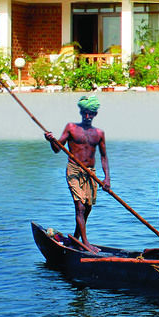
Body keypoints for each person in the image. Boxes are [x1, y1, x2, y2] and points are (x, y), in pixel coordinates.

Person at [44, 95, 110, 253]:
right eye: (85, 113)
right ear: (81, 112)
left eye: (91, 114)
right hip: (74, 170)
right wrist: (51, 140)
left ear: (95, 115)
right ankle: (85, 243)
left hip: (90, 173)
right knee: (79, 207)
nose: (87, 117)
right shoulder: (71, 128)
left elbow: (103, 156)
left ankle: (76, 240)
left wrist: (107, 178)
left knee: (87, 208)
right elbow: (57, 149)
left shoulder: (99, 133)